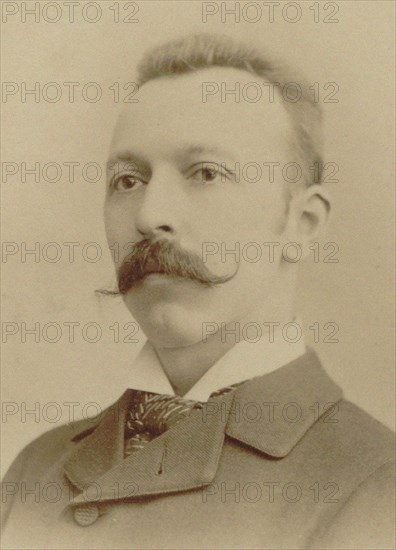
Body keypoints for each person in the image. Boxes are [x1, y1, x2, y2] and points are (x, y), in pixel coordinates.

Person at [1, 33, 394, 550]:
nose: (148, 216)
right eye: (127, 180)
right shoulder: (36, 467)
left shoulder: (372, 482)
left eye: (206, 173)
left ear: (302, 223)